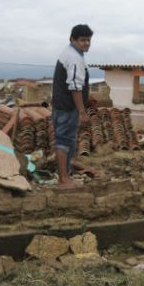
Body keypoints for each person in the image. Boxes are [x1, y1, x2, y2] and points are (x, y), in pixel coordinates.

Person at [51, 24, 93, 188]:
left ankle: (66, 176)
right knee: (64, 141)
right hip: (67, 108)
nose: (86, 43)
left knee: (69, 142)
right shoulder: (74, 58)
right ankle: (63, 179)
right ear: (72, 39)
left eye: (89, 40)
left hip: (61, 106)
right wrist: (82, 112)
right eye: (82, 40)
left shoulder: (71, 54)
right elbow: (75, 86)